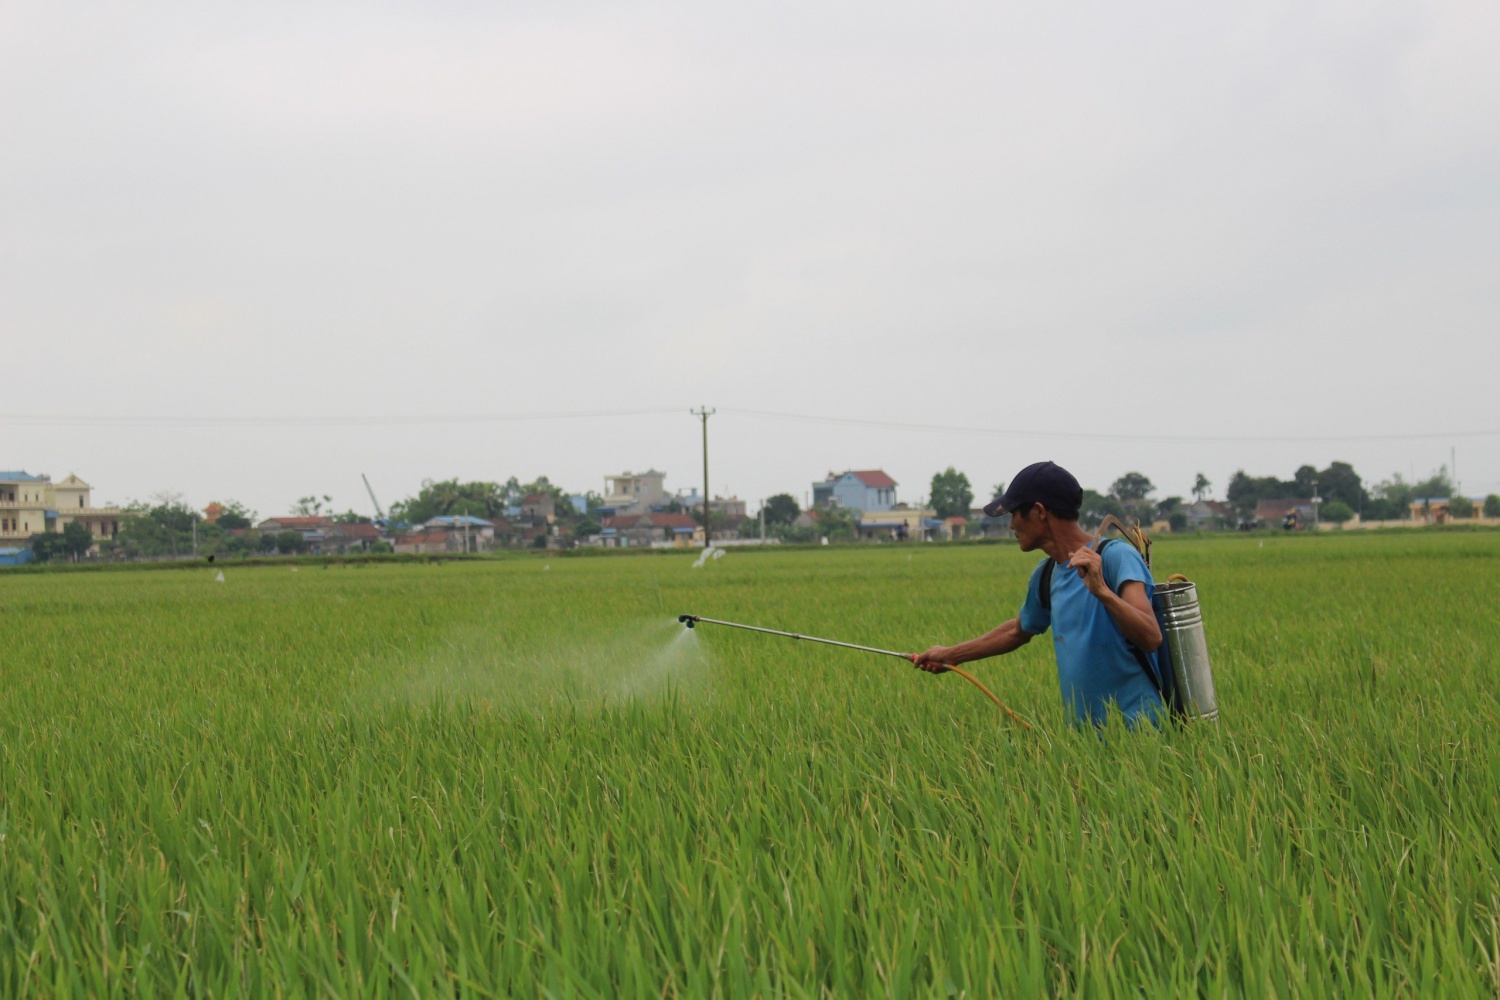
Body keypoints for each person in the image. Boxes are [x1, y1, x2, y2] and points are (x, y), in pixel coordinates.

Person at [911, 461, 1165, 728]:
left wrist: (1102, 591)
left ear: (1039, 511)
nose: (1011, 525)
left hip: (1141, 734)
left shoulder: (1116, 558)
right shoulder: (1046, 576)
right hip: (1086, 741)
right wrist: (950, 655)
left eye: (1014, 514)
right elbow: (1016, 631)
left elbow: (1151, 636)